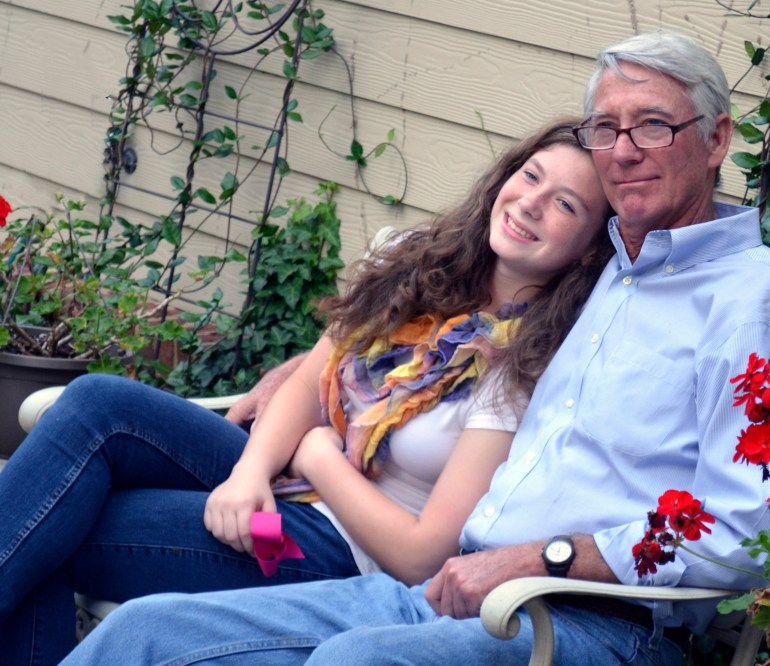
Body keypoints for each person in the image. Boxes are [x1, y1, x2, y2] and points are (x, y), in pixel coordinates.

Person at [64, 30, 770, 666]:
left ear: (716, 139)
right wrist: (302, 372)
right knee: (147, 630)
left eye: (654, 125)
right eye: (606, 128)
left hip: (599, 626)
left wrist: (542, 558)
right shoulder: (601, 277)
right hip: (451, 594)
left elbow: (752, 531)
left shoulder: (755, 305)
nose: (624, 149)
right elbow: (440, 331)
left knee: (356, 662)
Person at [0, 118, 614, 666]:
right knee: (98, 406)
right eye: (530, 176)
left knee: (48, 523)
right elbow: (309, 379)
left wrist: (319, 454)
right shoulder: (422, 265)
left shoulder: (524, 365)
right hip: (285, 482)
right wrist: (249, 473)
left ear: (590, 250)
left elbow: (423, 556)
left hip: (346, 546)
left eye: (564, 204)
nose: (530, 203)